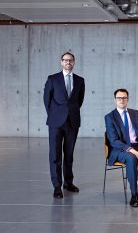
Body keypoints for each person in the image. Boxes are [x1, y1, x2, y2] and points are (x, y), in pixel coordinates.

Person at [43, 52, 85, 199]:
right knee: (55, 155)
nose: (68, 62)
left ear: (74, 62)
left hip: (72, 122)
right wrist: (55, 114)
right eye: (65, 60)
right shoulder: (53, 79)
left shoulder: (80, 80)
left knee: (69, 155)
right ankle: (57, 186)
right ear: (61, 62)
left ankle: (68, 183)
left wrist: (69, 112)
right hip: (55, 122)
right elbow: (46, 100)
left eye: (71, 60)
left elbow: (79, 101)